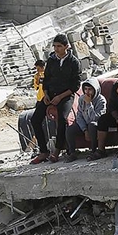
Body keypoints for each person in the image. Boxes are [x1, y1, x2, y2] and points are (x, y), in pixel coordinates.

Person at [30, 34, 80, 164]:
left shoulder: (73, 62)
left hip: (65, 95)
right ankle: (43, 151)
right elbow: (46, 80)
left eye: (59, 46)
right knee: (35, 119)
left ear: (66, 47)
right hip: (50, 94)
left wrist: (60, 97)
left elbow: (75, 85)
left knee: (62, 119)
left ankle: (57, 150)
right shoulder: (51, 60)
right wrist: (46, 94)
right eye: (55, 46)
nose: (56, 49)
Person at [64, 78, 107, 162]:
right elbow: (79, 116)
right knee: (70, 129)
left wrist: (89, 104)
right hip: (84, 125)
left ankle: (93, 151)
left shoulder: (101, 100)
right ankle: (72, 153)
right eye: (85, 89)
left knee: (92, 125)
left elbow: (95, 118)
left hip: (96, 125)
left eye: (90, 89)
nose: (87, 92)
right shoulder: (81, 99)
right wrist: (84, 130)